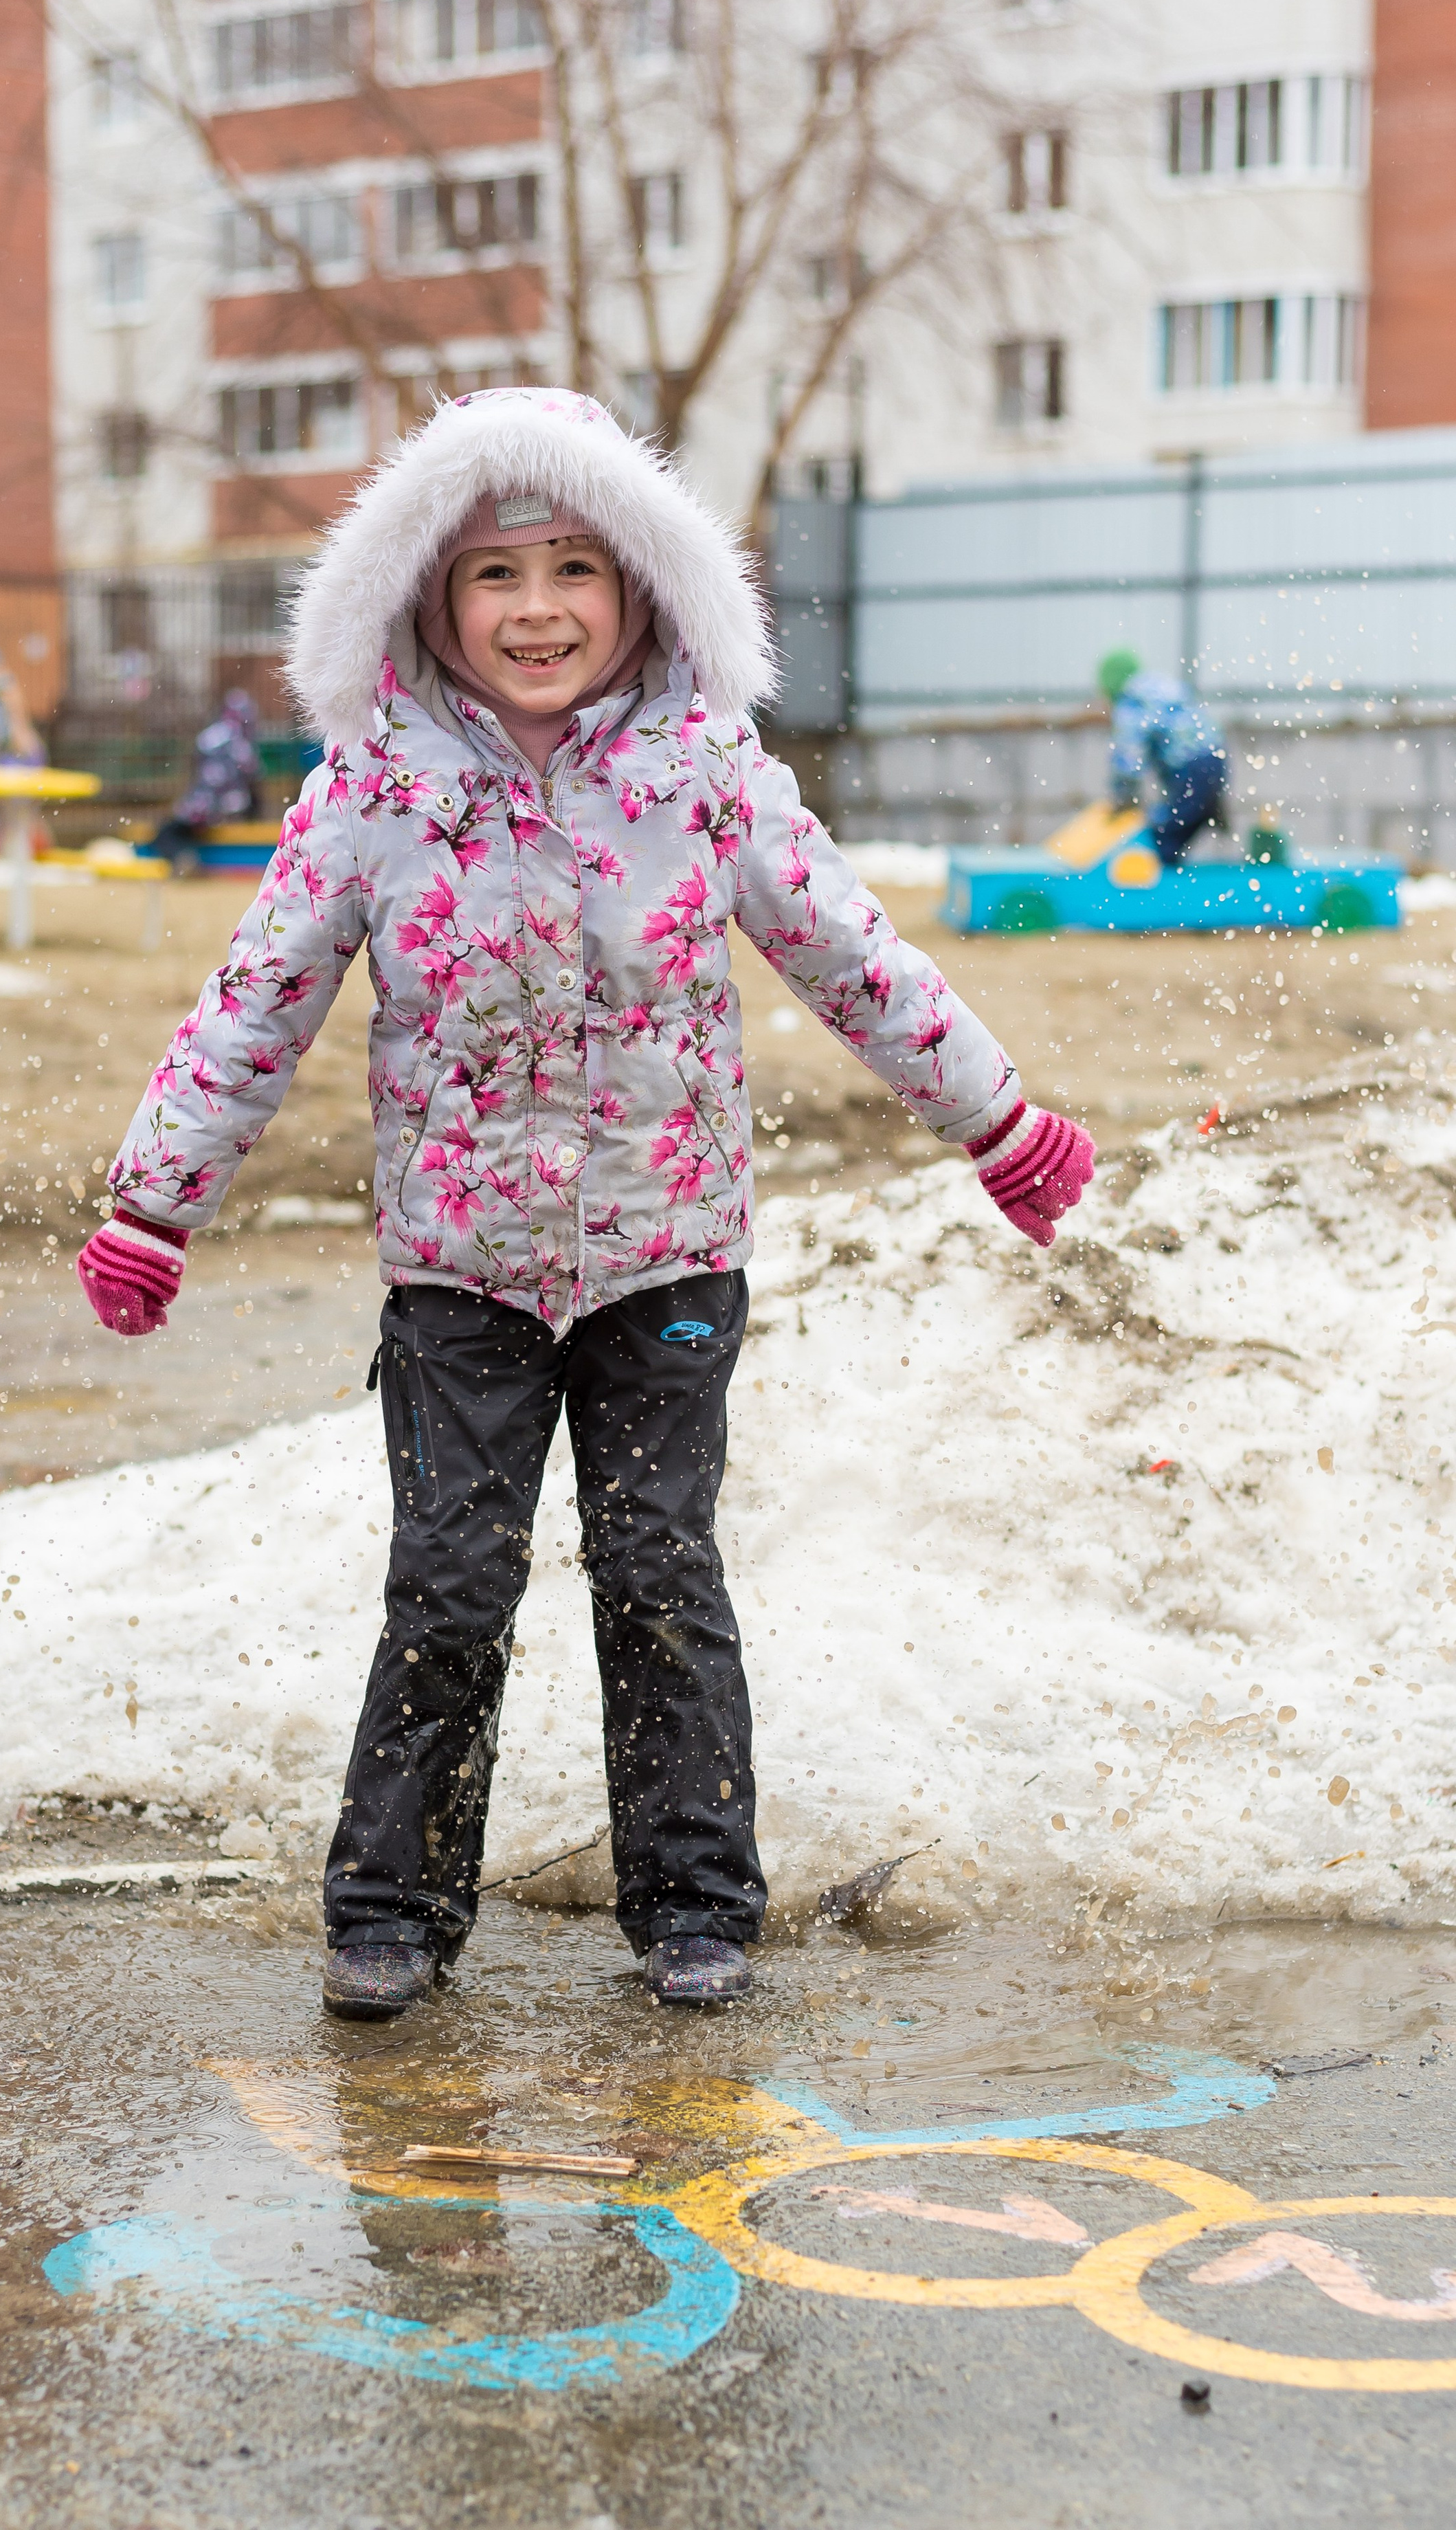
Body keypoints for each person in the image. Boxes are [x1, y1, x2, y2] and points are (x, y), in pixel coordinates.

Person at [76, 389, 1095, 2021]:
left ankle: (692, 1896)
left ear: (638, 587)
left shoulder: (703, 769)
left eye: (571, 569)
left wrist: (994, 1117)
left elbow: (845, 947)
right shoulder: (375, 789)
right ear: (425, 596)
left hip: (664, 1251)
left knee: (656, 1566)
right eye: (492, 575)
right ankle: (391, 1903)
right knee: (452, 1576)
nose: (534, 609)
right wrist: (154, 1198)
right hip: (458, 1270)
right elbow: (257, 993)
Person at [1099, 648, 1229, 867]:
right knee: (1187, 816)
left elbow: (1128, 755)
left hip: (1189, 767)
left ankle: (1164, 879)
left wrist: (1124, 794)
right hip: (1216, 757)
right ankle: (1209, 807)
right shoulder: (1164, 686)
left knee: (1164, 835)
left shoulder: (1131, 702)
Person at [147, 689, 262, 873]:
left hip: (204, 807)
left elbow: (198, 773)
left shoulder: (209, 737)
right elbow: (254, 780)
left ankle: (181, 857)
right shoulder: (245, 744)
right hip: (236, 808)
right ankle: (187, 858)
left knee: (167, 832)